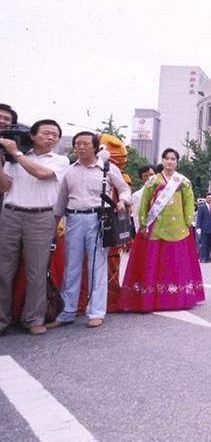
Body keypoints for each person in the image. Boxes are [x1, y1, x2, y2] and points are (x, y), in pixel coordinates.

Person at [49, 131, 132, 329]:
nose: (81, 147)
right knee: (72, 267)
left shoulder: (107, 168)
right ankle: (67, 311)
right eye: (77, 144)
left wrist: (123, 201)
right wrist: (54, 224)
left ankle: (96, 312)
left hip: (98, 219)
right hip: (74, 219)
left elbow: (124, 189)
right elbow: (61, 201)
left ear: (96, 147)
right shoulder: (69, 171)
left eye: (86, 144)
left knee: (97, 266)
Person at [0, 119, 69, 336]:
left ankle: (33, 318)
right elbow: (4, 186)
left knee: (36, 271)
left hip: (41, 217)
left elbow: (41, 174)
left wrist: (17, 155)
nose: (51, 137)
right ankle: (2, 319)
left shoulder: (60, 160)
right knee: (3, 270)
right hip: (10, 214)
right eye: (46, 133)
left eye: (55, 135)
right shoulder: (14, 158)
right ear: (32, 136)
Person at [119, 148, 205, 312]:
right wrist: (144, 223)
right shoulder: (153, 181)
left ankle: (177, 297)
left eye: (173, 159)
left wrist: (187, 222)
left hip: (178, 228)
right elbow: (144, 203)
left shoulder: (183, 182)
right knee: (155, 263)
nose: (170, 161)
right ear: (163, 161)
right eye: (167, 158)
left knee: (175, 262)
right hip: (156, 226)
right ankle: (152, 297)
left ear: (177, 162)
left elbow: (188, 203)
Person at [130, 165, 156, 232]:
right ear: (141, 178)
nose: (149, 178)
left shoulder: (163, 193)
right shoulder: (137, 195)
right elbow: (136, 217)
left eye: (151, 175)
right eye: (145, 176)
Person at [194, 193, 211, 263]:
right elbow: (199, 218)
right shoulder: (202, 207)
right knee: (204, 244)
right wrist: (198, 227)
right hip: (204, 228)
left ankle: (208, 257)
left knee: (210, 244)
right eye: (208, 198)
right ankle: (203, 258)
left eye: (210, 198)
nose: (209, 199)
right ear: (206, 199)